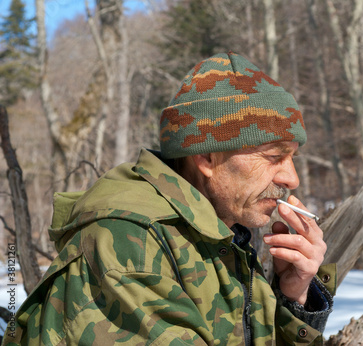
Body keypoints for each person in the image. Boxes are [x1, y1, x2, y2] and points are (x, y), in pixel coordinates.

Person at [4, 52, 336, 345]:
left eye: (292, 157)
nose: (291, 178)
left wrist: (295, 296)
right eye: (273, 157)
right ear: (207, 158)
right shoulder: (130, 243)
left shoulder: (217, 235)